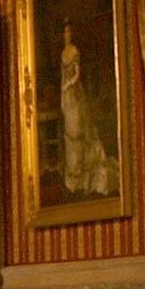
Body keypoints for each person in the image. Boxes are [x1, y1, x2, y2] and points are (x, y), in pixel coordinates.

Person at [58, 22, 89, 194]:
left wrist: (68, 85)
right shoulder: (63, 52)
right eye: (65, 32)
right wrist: (63, 93)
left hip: (74, 94)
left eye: (69, 31)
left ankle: (81, 176)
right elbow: (62, 76)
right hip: (66, 96)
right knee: (69, 134)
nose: (67, 34)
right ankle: (72, 176)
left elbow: (77, 75)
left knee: (77, 132)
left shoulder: (74, 51)